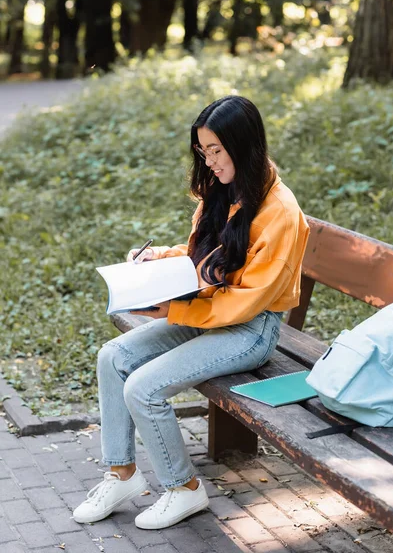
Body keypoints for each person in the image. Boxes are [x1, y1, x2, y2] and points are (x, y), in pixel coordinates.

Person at [73, 95, 310, 530]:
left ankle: (184, 489)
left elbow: (249, 300)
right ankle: (121, 473)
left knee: (143, 387)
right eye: (204, 151)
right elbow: (208, 257)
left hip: (250, 329)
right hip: (208, 310)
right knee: (112, 357)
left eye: (216, 150)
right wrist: (160, 260)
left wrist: (177, 306)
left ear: (244, 145)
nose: (210, 161)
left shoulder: (282, 213)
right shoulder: (223, 190)